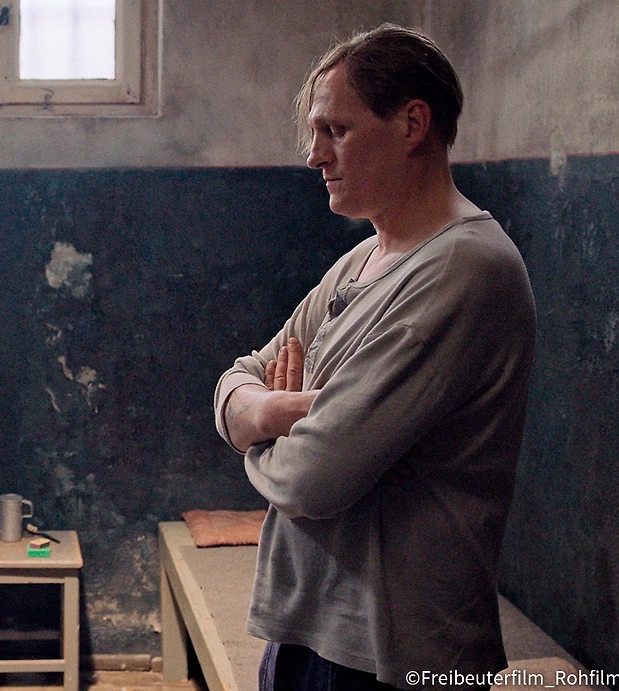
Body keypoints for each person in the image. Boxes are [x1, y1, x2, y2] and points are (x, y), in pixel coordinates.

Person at [213, 24, 536, 691]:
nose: (314, 156)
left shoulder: (465, 268)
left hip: (392, 652)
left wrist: (261, 425)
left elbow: (313, 477)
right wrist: (280, 410)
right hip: (306, 626)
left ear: (413, 123)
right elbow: (233, 381)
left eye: (336, 131)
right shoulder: (363, 258)